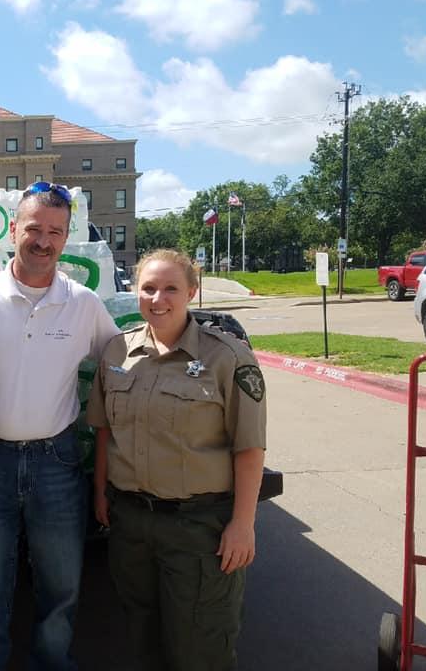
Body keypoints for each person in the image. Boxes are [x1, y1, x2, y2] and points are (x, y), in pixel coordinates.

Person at [0, 181, 120, 671]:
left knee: (62, 585)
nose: (43, 241)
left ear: (66, 238)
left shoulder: (83, 303)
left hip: (57, 463)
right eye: (34, 228)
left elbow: (123, 361)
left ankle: (52, 662)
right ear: (13, 229)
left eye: (55, 232)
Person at [87, 248, 267, 671]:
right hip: (131, 522)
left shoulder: (227, 357)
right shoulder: (117, 353)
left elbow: (249, 447)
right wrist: (100, 492)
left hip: (199, 527)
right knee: (141, 636)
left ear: (192, 291)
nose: (158, 298)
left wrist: (243, 524)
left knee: (200, 646)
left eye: (171, 288)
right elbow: (104, 431)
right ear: (135, 291)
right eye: (148, 288)